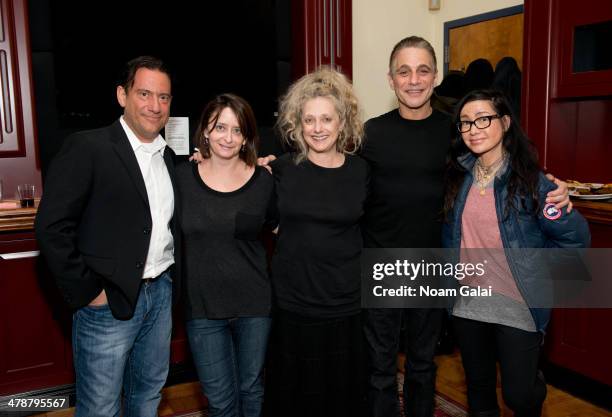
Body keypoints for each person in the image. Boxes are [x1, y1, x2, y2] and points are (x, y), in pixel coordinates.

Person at [359, 36, 571, 417]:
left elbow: (503, 162)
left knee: (423, 364)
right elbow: (333, 173)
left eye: (423, 70)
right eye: (403, 71)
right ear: (390, 79)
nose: (413, 80)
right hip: (382, 264)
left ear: (436, 76)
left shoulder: (457, 133)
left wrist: (553, 187)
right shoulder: (369, 134)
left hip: (435, 265)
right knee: (380, 368)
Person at [35, 56, 180, 417]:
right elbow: (52, 227)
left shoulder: (168, 157)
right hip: (107, 305)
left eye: (163, 97)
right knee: (99, 407)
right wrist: (89, 293)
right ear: (122, 95)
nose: (155, 105)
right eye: (145, 93)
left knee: (147, 396)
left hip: (160, 295)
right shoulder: (88, 148)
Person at [442, 89, 590, 417]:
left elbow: (576, 239)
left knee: (519, 395)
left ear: (505, 122)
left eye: (484, 119)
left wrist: (543, 282)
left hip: (516, 304)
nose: (474, 129)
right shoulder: (456, 177)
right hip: (468, 304)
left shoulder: (533, 182)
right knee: (479, 390)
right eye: (465, 123)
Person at [264, 67, 369, 417]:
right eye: (309, 120)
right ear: (298, 124)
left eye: (327, 119)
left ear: (343, 122)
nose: (318, 128)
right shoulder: (279, 169)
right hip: (294, 302)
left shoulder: (362, 171)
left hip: (345, 302)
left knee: (341, 396)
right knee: (296, 396)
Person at [176, 94, 275, 417]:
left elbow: (281, 230)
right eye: (220, 127)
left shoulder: (264, 181)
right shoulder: (181, 179)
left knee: (252, 390)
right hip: (203, 310)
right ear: (205, 130)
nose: (228, 138)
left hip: (254, 307)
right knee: (219, 400)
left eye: (237, 130)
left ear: (246, 136)